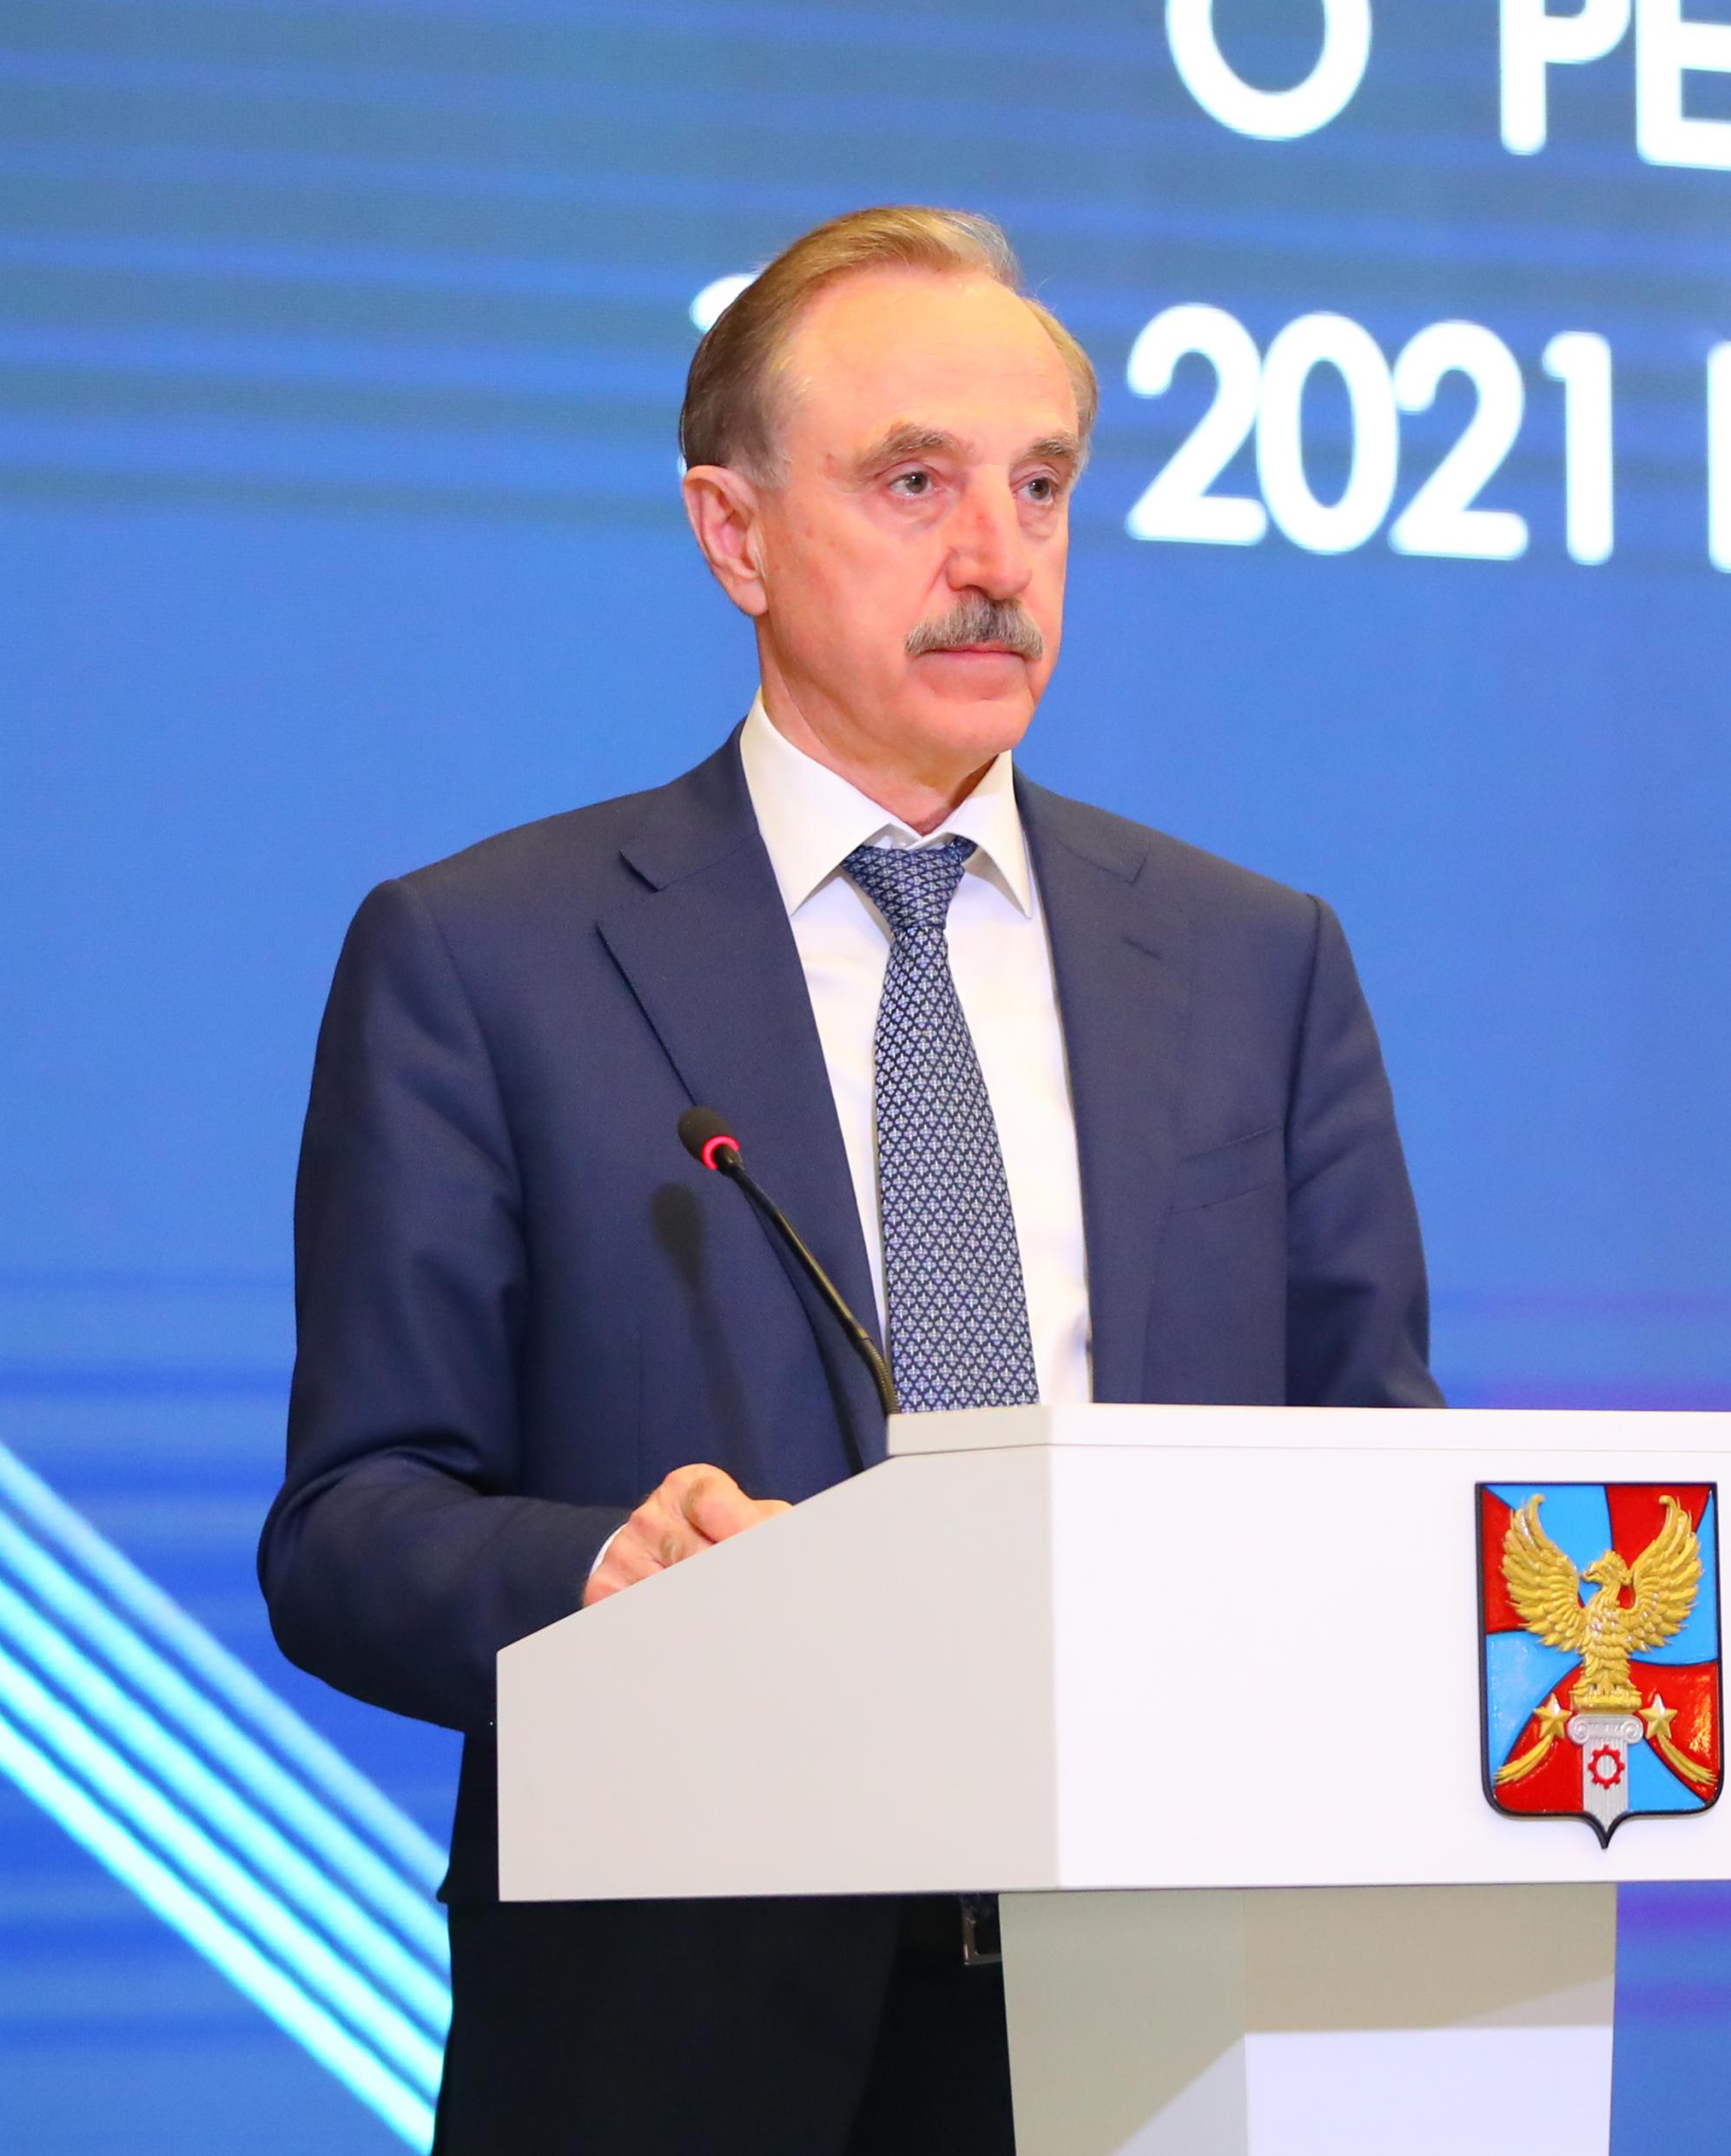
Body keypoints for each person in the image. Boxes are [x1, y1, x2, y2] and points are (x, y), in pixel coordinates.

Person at [260, 206, 1439, 2155]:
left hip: (1169, 2019)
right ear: (732, 534)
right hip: (687, 2040)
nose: (994, 559)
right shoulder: (487, 959)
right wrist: (603, 1572)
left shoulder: (1254, 960)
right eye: (913, 483)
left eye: (1038, 487)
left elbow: (1376, 1470)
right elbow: (348, 1531)